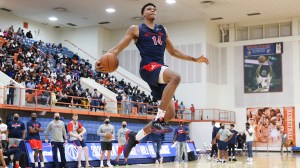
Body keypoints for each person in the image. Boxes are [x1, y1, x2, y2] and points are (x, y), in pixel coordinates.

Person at [95, 3, 209, 162]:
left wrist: (195, 59)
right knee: (176, 77)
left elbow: (174, 51)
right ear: (143, 14)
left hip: (161, 69)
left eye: (154, 9)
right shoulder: (136, 29)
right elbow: (118, 48)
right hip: (148, 67)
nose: (153, 10)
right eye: (149, 9)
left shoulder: (162, 30)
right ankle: (159, 120)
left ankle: (135, 137)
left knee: (171, 113)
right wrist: (102, 59)